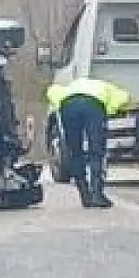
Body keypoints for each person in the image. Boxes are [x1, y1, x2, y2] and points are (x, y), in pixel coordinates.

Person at [46, 78, 132, 208]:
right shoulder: (112, 89)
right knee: (96, 151)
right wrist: (110, 111)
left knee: (75, 151)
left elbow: (51, 91)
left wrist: (59, 105)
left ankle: (84, 195)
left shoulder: (69, 86)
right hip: (93, 105)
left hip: (68, 105)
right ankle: (97, 194)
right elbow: (123, 98)